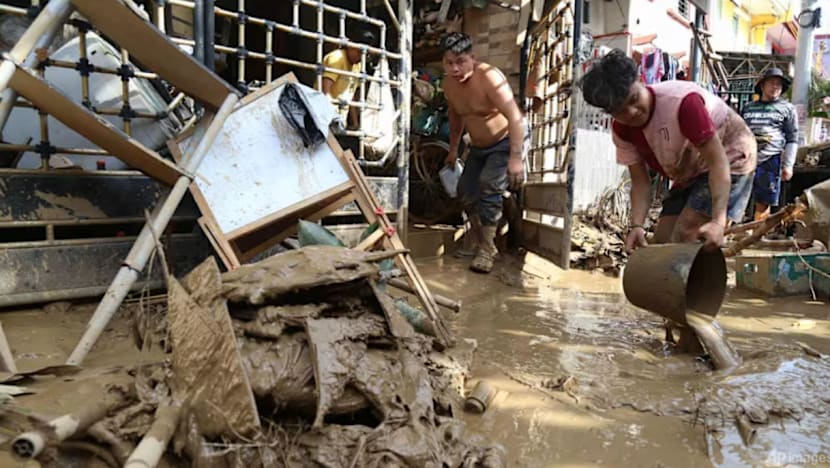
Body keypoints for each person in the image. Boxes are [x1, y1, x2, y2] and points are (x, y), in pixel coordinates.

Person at [578, 49, 757, 253]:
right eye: (619, 111)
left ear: (641, 81)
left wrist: (718, 221)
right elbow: (640, 182)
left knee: (687, 231)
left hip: (731, 158)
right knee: (661, 242)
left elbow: (717, 162)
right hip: (691, 167)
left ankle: (696, 283)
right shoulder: (622, 131)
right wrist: (636, 226)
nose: (632, 112)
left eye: (634, 99)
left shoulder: (683, 104)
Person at [440, 32, 525, 273]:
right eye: (449, 63)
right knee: (465, 191)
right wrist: (453, 149)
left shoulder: (489, 77)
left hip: (504, 141)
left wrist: (516, 158)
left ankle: (487, 250)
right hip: (478, 146)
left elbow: (515, 116)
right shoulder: (449, 84)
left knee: (489, 185)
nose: (455, 68)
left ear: (472, 58)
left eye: (460, 61)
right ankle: (481, 240)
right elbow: (456, 117)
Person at [741, 67, 798, 221]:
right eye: (772, 83)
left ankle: (757, 235)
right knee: (737, 197)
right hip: (745, 158)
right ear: (762, 86)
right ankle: (728, 233)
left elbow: (792, 138)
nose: (775, 87)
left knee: (764, 201)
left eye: (778, 85)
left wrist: (788, 165)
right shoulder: (747, 108)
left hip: (771, 159)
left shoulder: (787, 109)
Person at [318, 30, 375, 127]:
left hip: (340, 120)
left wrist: (355, 123)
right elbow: (325, 91)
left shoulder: (358, 66)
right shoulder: (337, 58)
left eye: (365, 54)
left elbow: (351, 94)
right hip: (325, 118)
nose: (361, 57)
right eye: (359, 52)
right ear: (351, 45)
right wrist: (332, 116)